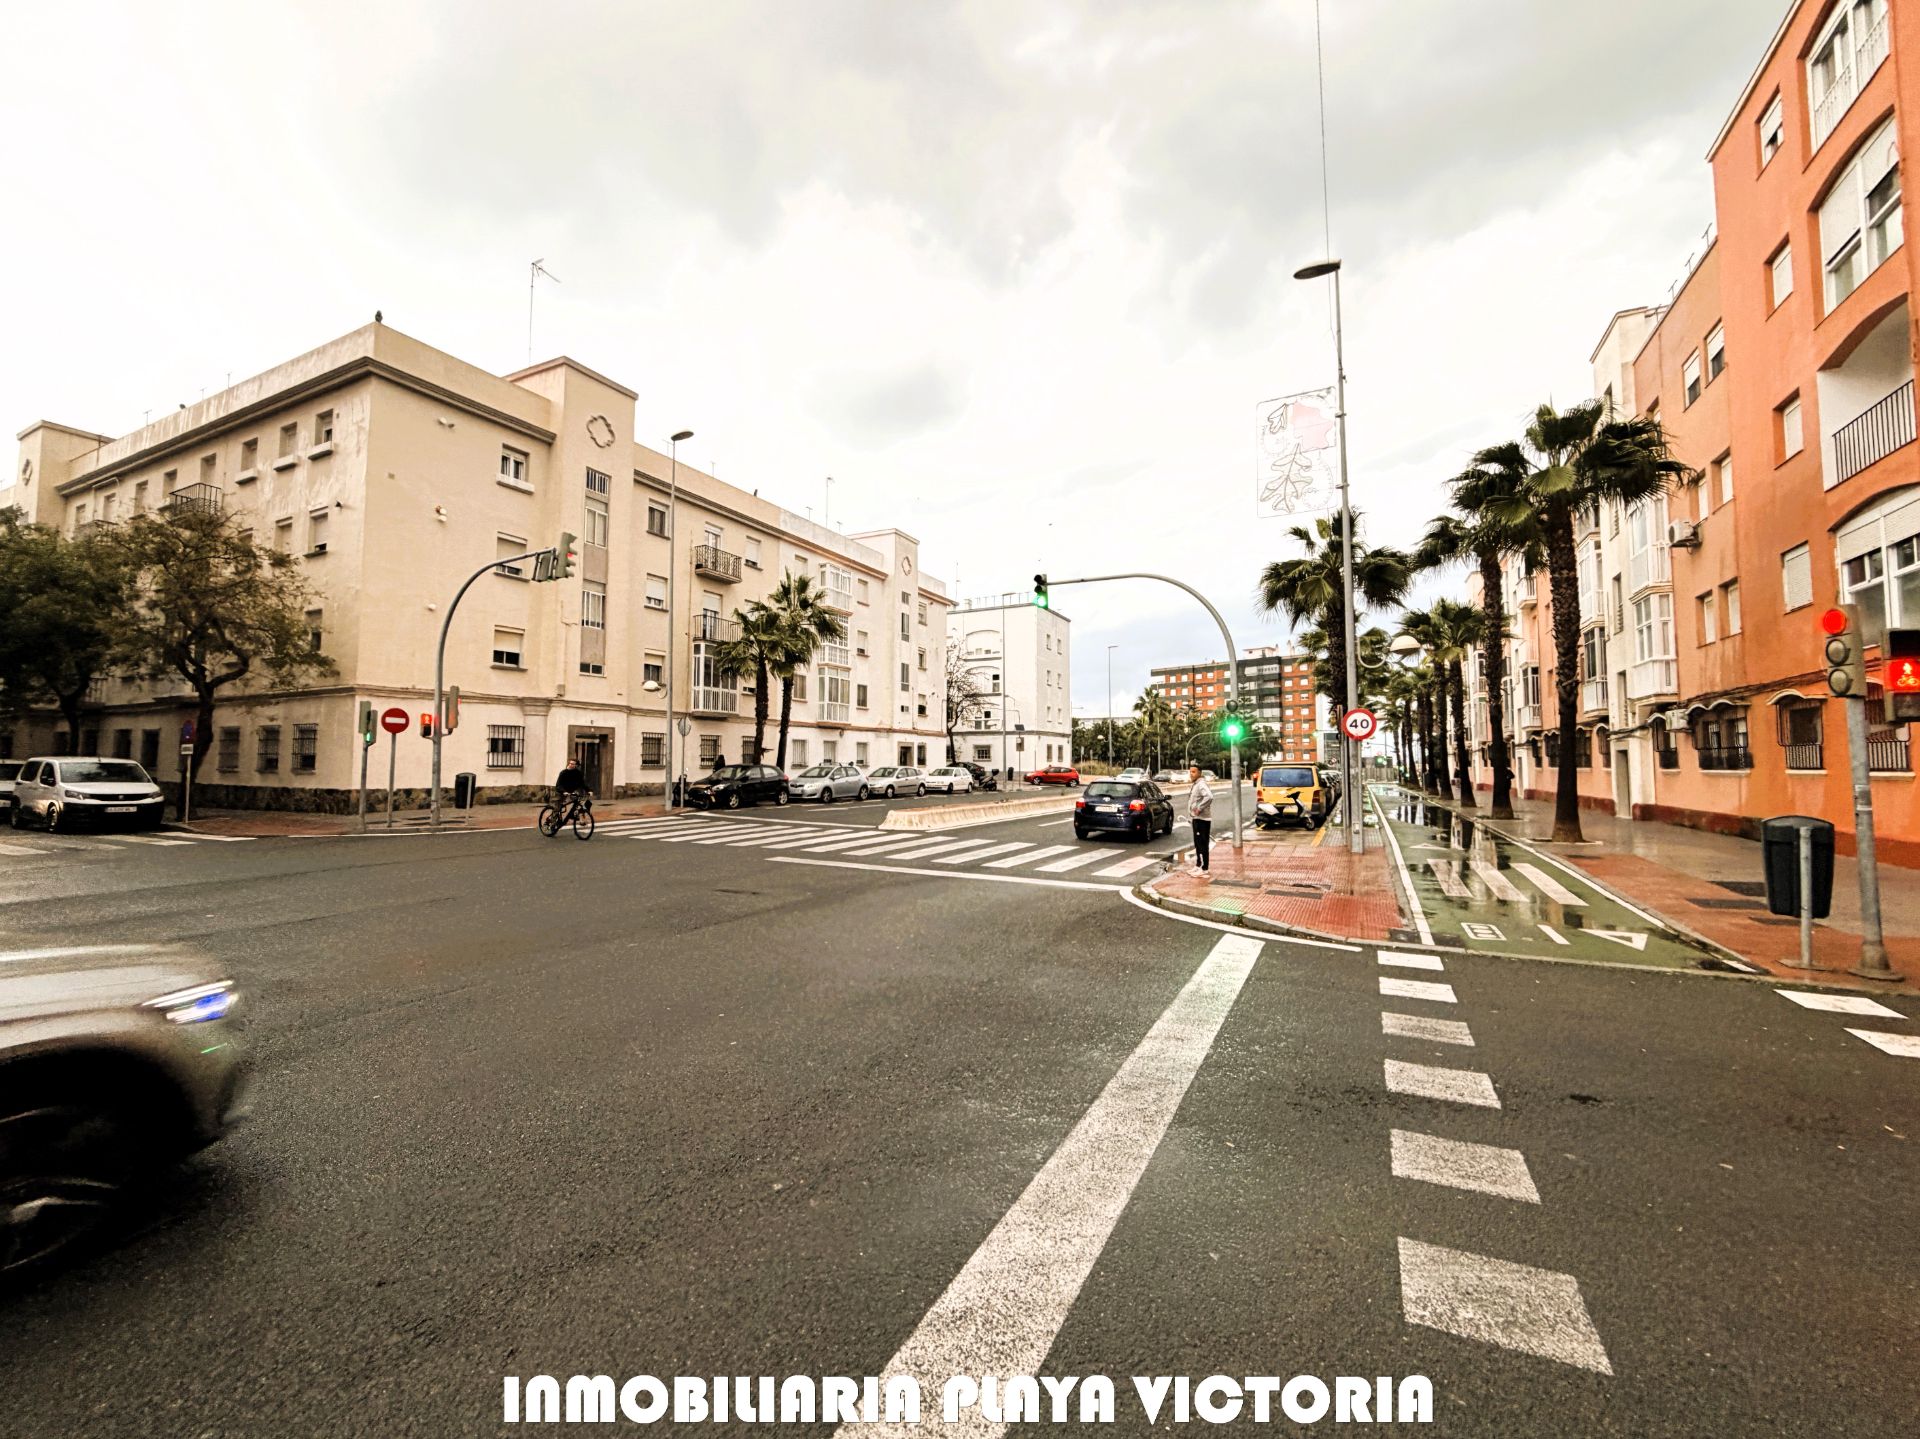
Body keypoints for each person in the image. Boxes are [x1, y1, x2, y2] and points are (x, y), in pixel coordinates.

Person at [1187, 762, 1213, 875]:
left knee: (1203, 843)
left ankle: (1204, 868)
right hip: (1196, 818)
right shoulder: (1196, 784)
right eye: (1190, 772)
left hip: (1202, 819)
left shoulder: (1201, 784)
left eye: (1193, 772)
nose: (1191, 774)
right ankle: (1198, 865)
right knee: (1197, 843)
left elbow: (1209, 797)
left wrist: (1199, 808)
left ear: (1199, 773)